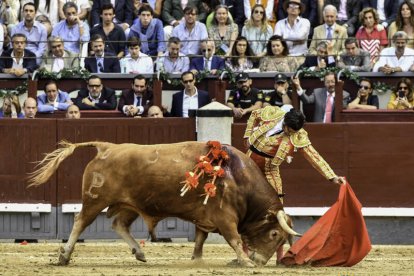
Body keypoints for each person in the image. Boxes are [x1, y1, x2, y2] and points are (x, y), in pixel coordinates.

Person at [244, 106, 346, 200]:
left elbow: (313, 156)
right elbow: (254, 114)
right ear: (285, 123)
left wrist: (332, 177)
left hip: (269, 169)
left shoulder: (298, 134)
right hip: (248, 161)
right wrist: (247, 136)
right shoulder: (274, 113)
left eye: (295, 132)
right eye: (290, 131)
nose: (292, 134)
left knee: (277, 201)